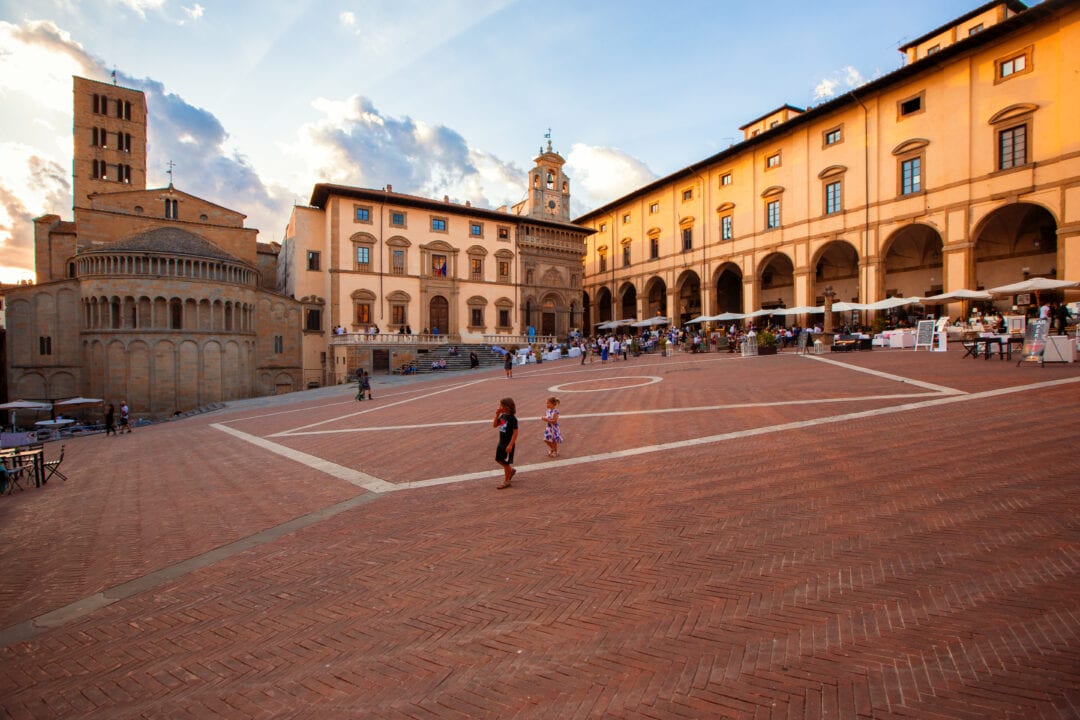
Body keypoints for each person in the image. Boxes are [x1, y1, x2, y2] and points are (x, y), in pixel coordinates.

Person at [494, 398, 518, 489]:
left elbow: (515, 432)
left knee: (505, 462)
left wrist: (511, 444)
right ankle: (510, 471)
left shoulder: (513, 419)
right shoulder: (503, 416)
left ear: (506, 407)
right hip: (501, 442)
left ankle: (507, 481)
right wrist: (497, 414)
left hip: (508, 443)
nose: (499, 407)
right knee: (498, 459)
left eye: (501, 405)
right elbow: (495, 425)